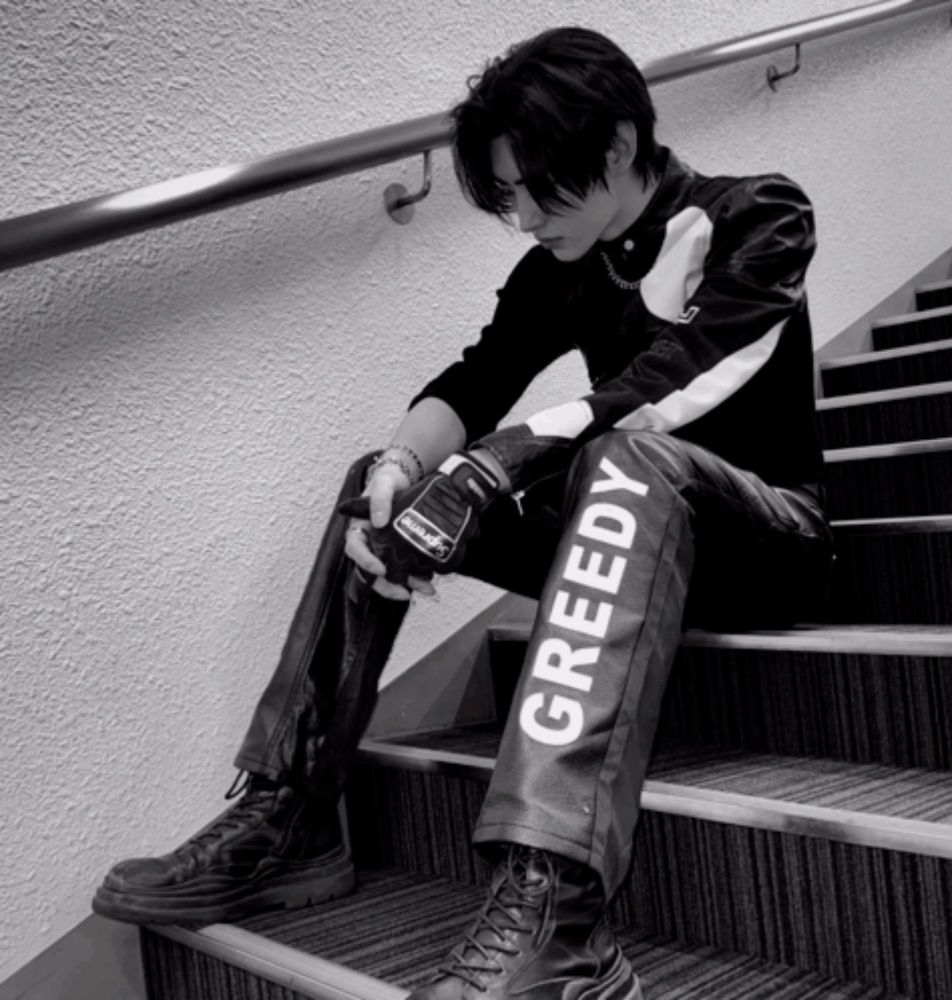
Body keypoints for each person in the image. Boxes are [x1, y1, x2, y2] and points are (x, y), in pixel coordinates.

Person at [93, 25, 833, 1000]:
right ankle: (294, 813)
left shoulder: (759, 213)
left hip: (763, 540)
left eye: (535, 187)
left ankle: (560, 919)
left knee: (625, 456)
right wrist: (411, 464)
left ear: (615, 146)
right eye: (507, 195)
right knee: (380, 477)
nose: (520, 215)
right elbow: (477, 379)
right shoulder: (562, 263)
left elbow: (691, 376)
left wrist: (497, 465)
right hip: (630, 528)